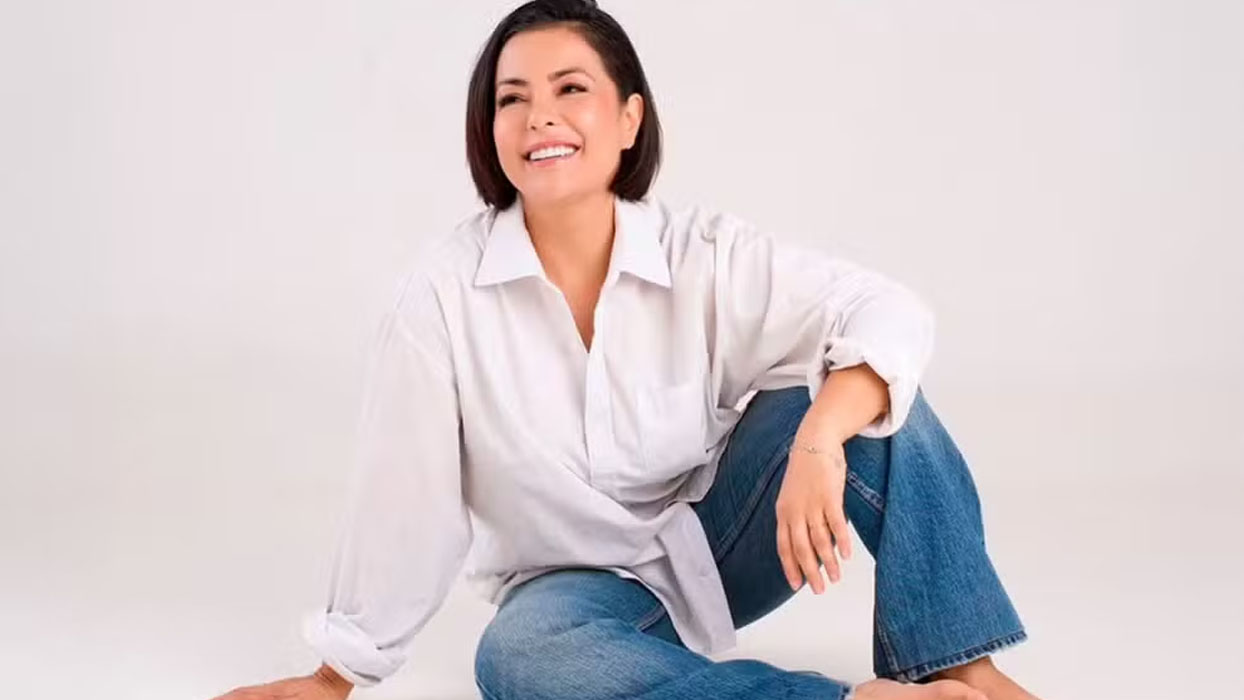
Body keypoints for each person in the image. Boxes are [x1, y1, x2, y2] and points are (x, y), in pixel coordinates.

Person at [211, 1, 1043, 699]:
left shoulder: (699, 254)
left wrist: (820, 437)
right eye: (511, 99)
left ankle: (957, 667)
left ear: (628, 118)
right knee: (518, 659)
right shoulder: (440, 296)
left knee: (874, 396)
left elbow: (886, 310)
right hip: (570, 597)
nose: (539, 116)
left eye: (570, 89)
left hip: (723, 542)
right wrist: (335, 677)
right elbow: (405, 500)